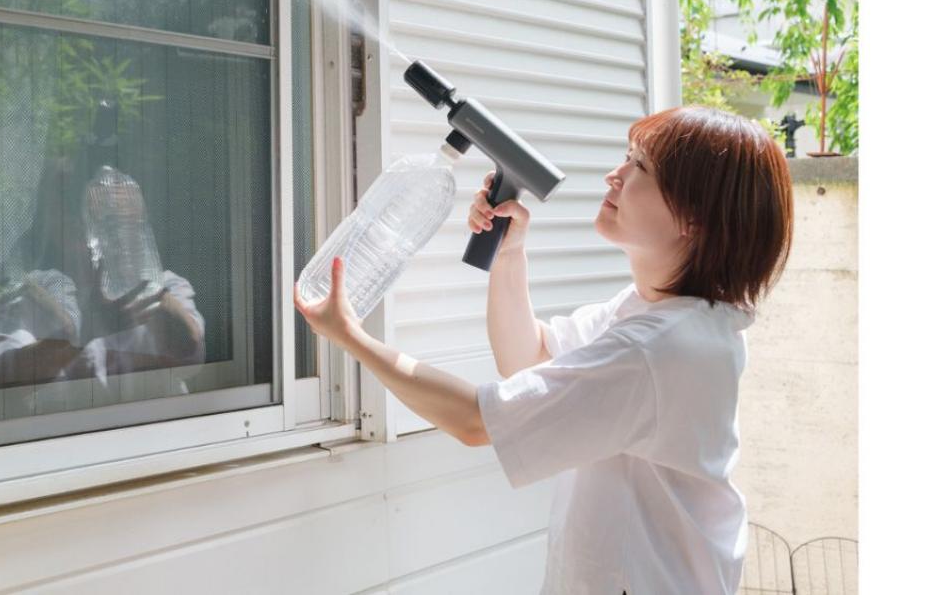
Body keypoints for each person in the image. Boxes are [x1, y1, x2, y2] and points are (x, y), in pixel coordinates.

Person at [294, 106, 794, 595]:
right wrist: (509, 254)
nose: (614, 175)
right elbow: (528, 360)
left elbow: (475, 421)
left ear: (695, 219)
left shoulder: (660, 350)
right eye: (626, 157)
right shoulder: (656, 315)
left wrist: (351, 337)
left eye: (640, 166)